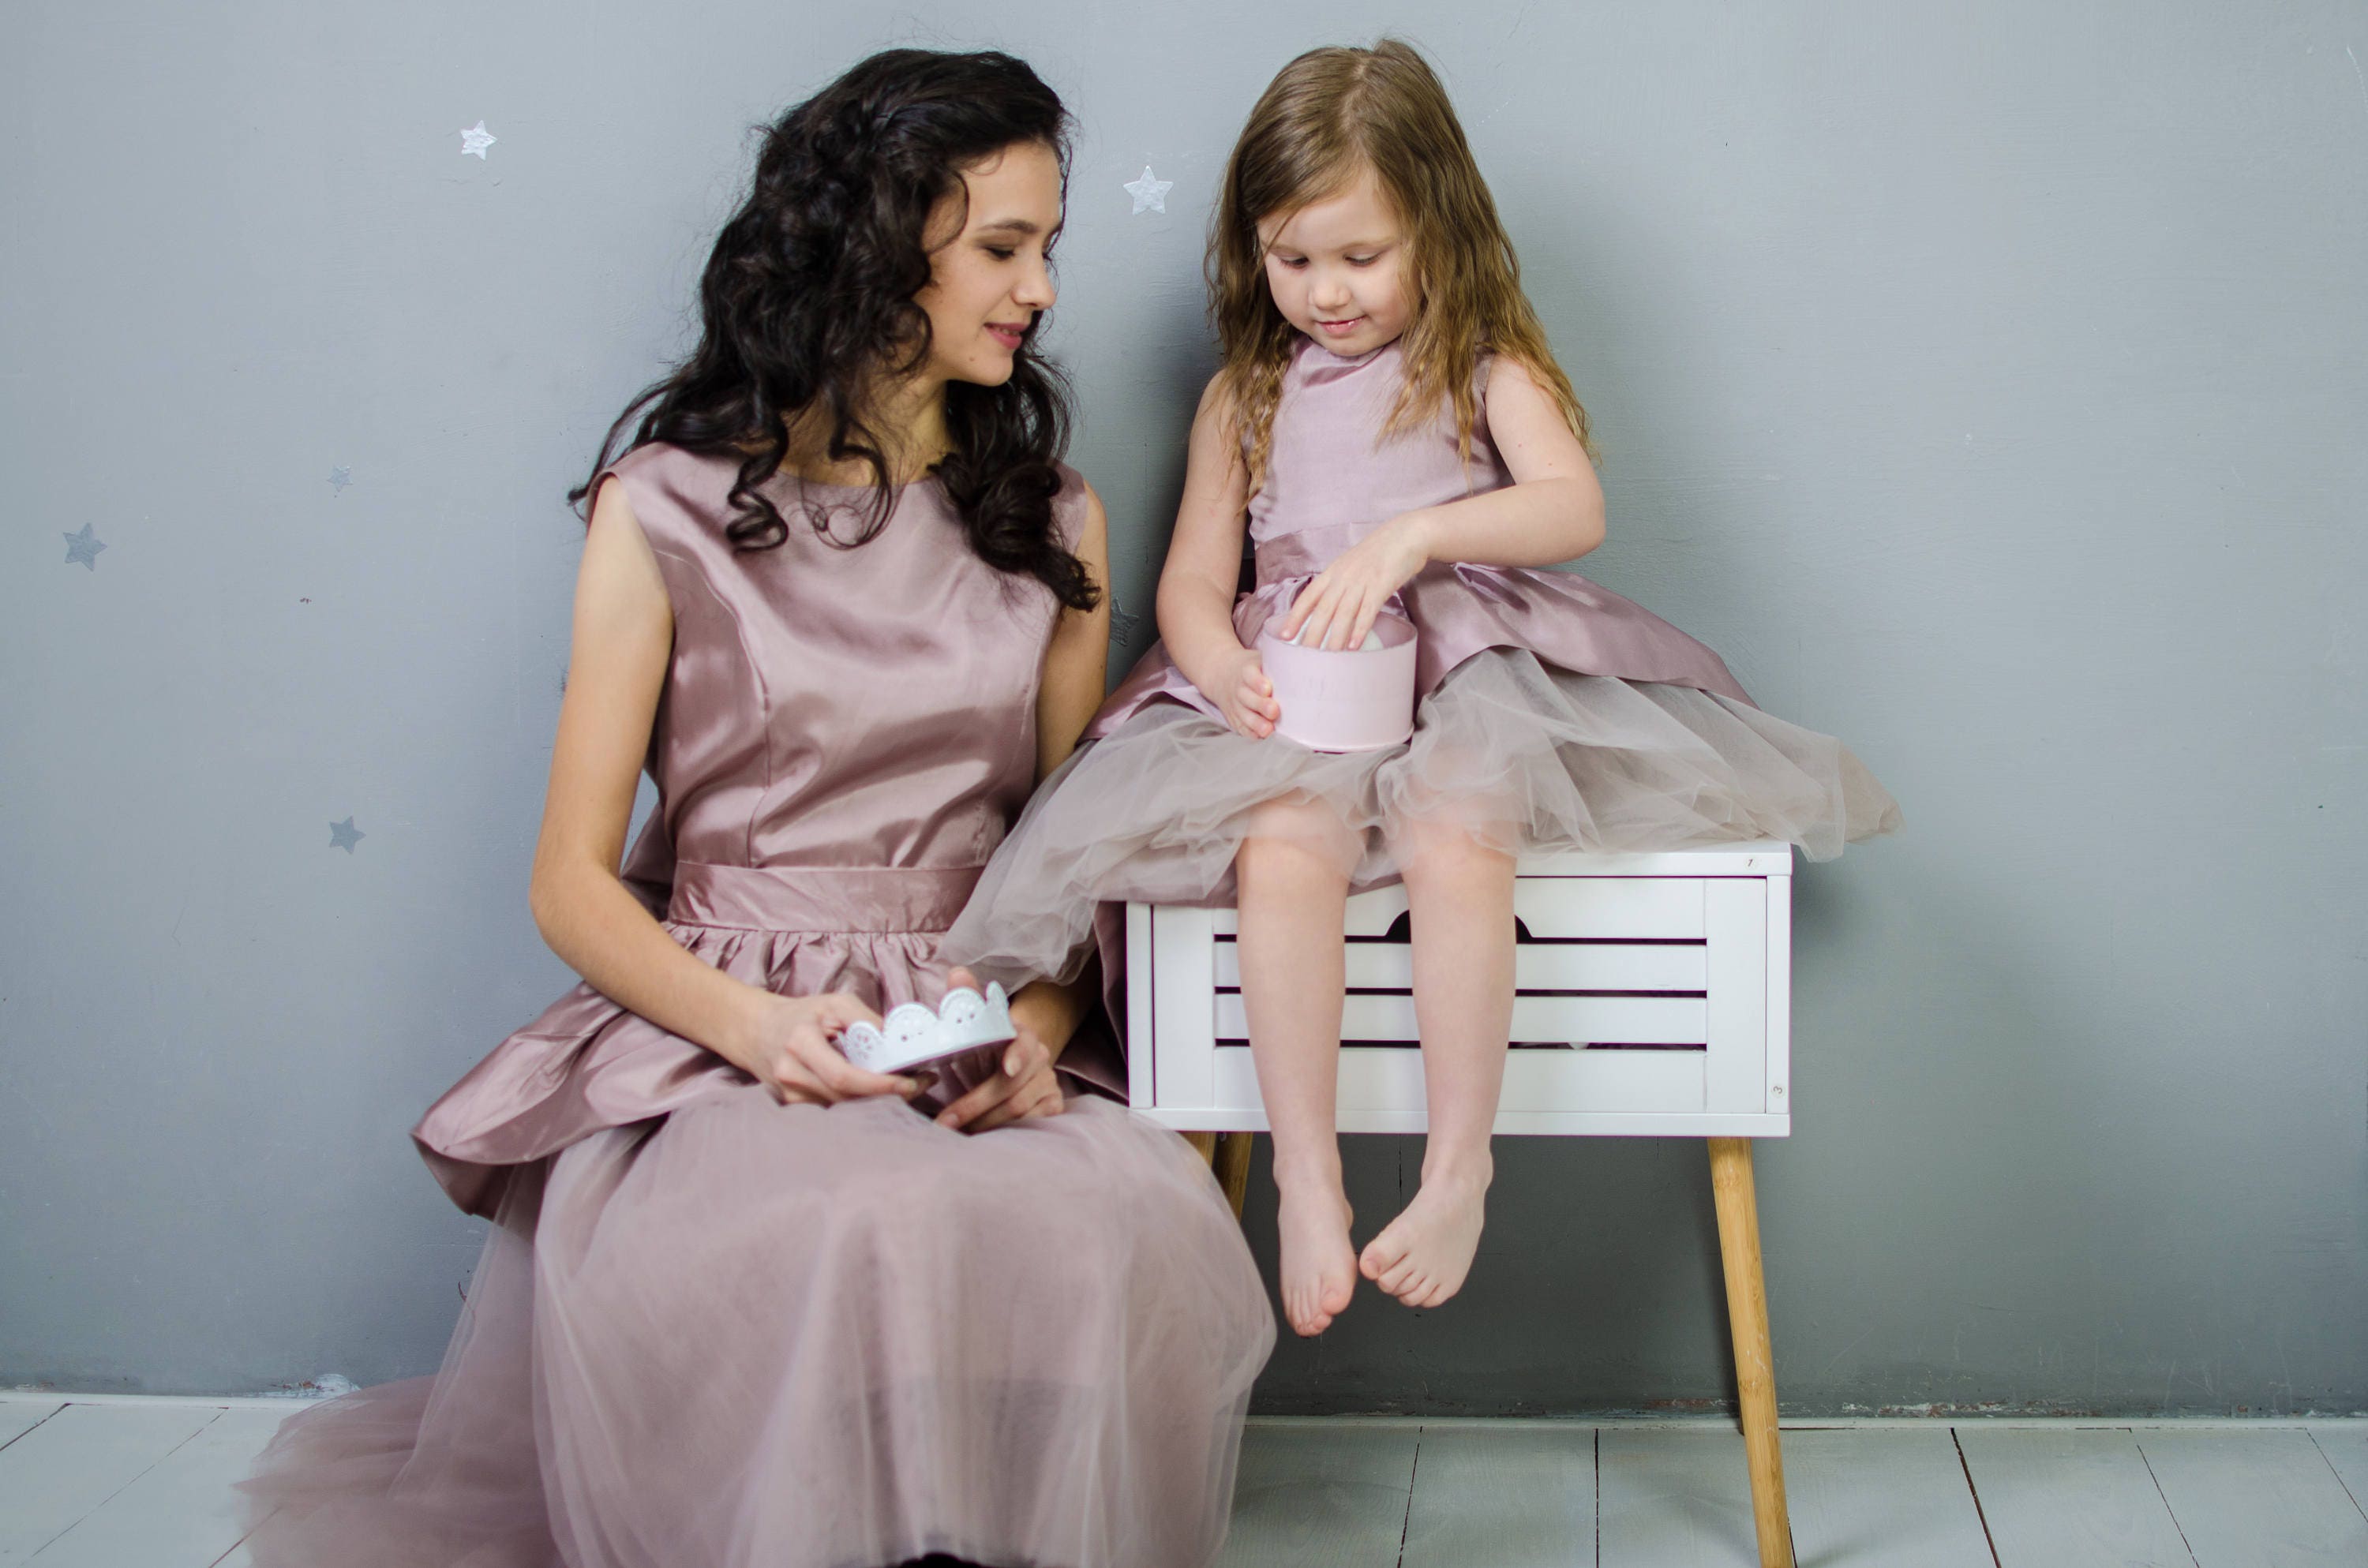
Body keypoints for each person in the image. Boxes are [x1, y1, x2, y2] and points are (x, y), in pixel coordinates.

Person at [238, 48, 1274, 1568]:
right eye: (1003, 247)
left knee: (1111, 1222)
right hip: (730, 1025)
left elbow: (1066, 864)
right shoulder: (661, 506)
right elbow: (573, 888)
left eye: (1050, 247)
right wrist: (761, 1033)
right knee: (848, 1219)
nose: (1041, 288)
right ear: (875, 243)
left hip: (963, 1011)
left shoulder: (1053, 518)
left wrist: (1036, 1044)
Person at [940, 38, 1901, 1340]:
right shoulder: (1247, 395)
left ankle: (1460, 1165)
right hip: (1300, 685)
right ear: (1254, 248)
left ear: (1436, 232)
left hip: (1456, 675)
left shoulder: (1482, 368)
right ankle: (1311, 1182)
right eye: (1293, 259)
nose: (1326, 292)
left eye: (1360, 257)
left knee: (1461, 828)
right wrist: (1217, 658)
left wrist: (1414, 539)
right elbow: (1186, 584)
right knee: (1282, 846)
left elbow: (1573, 507)